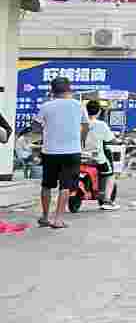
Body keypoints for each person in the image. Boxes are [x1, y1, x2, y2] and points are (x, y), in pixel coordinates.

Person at [36, 77, 84, 230]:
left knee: (47, 185)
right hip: (72, 151)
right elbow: (86, 126)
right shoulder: (78, 105)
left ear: (52, 91)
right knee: (65, 186)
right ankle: (58, 219)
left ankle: (44, 217)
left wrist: (45, 134)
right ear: (69, 89)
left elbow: (36, 126)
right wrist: (81, 140)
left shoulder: (46, 106)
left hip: (50, 151)